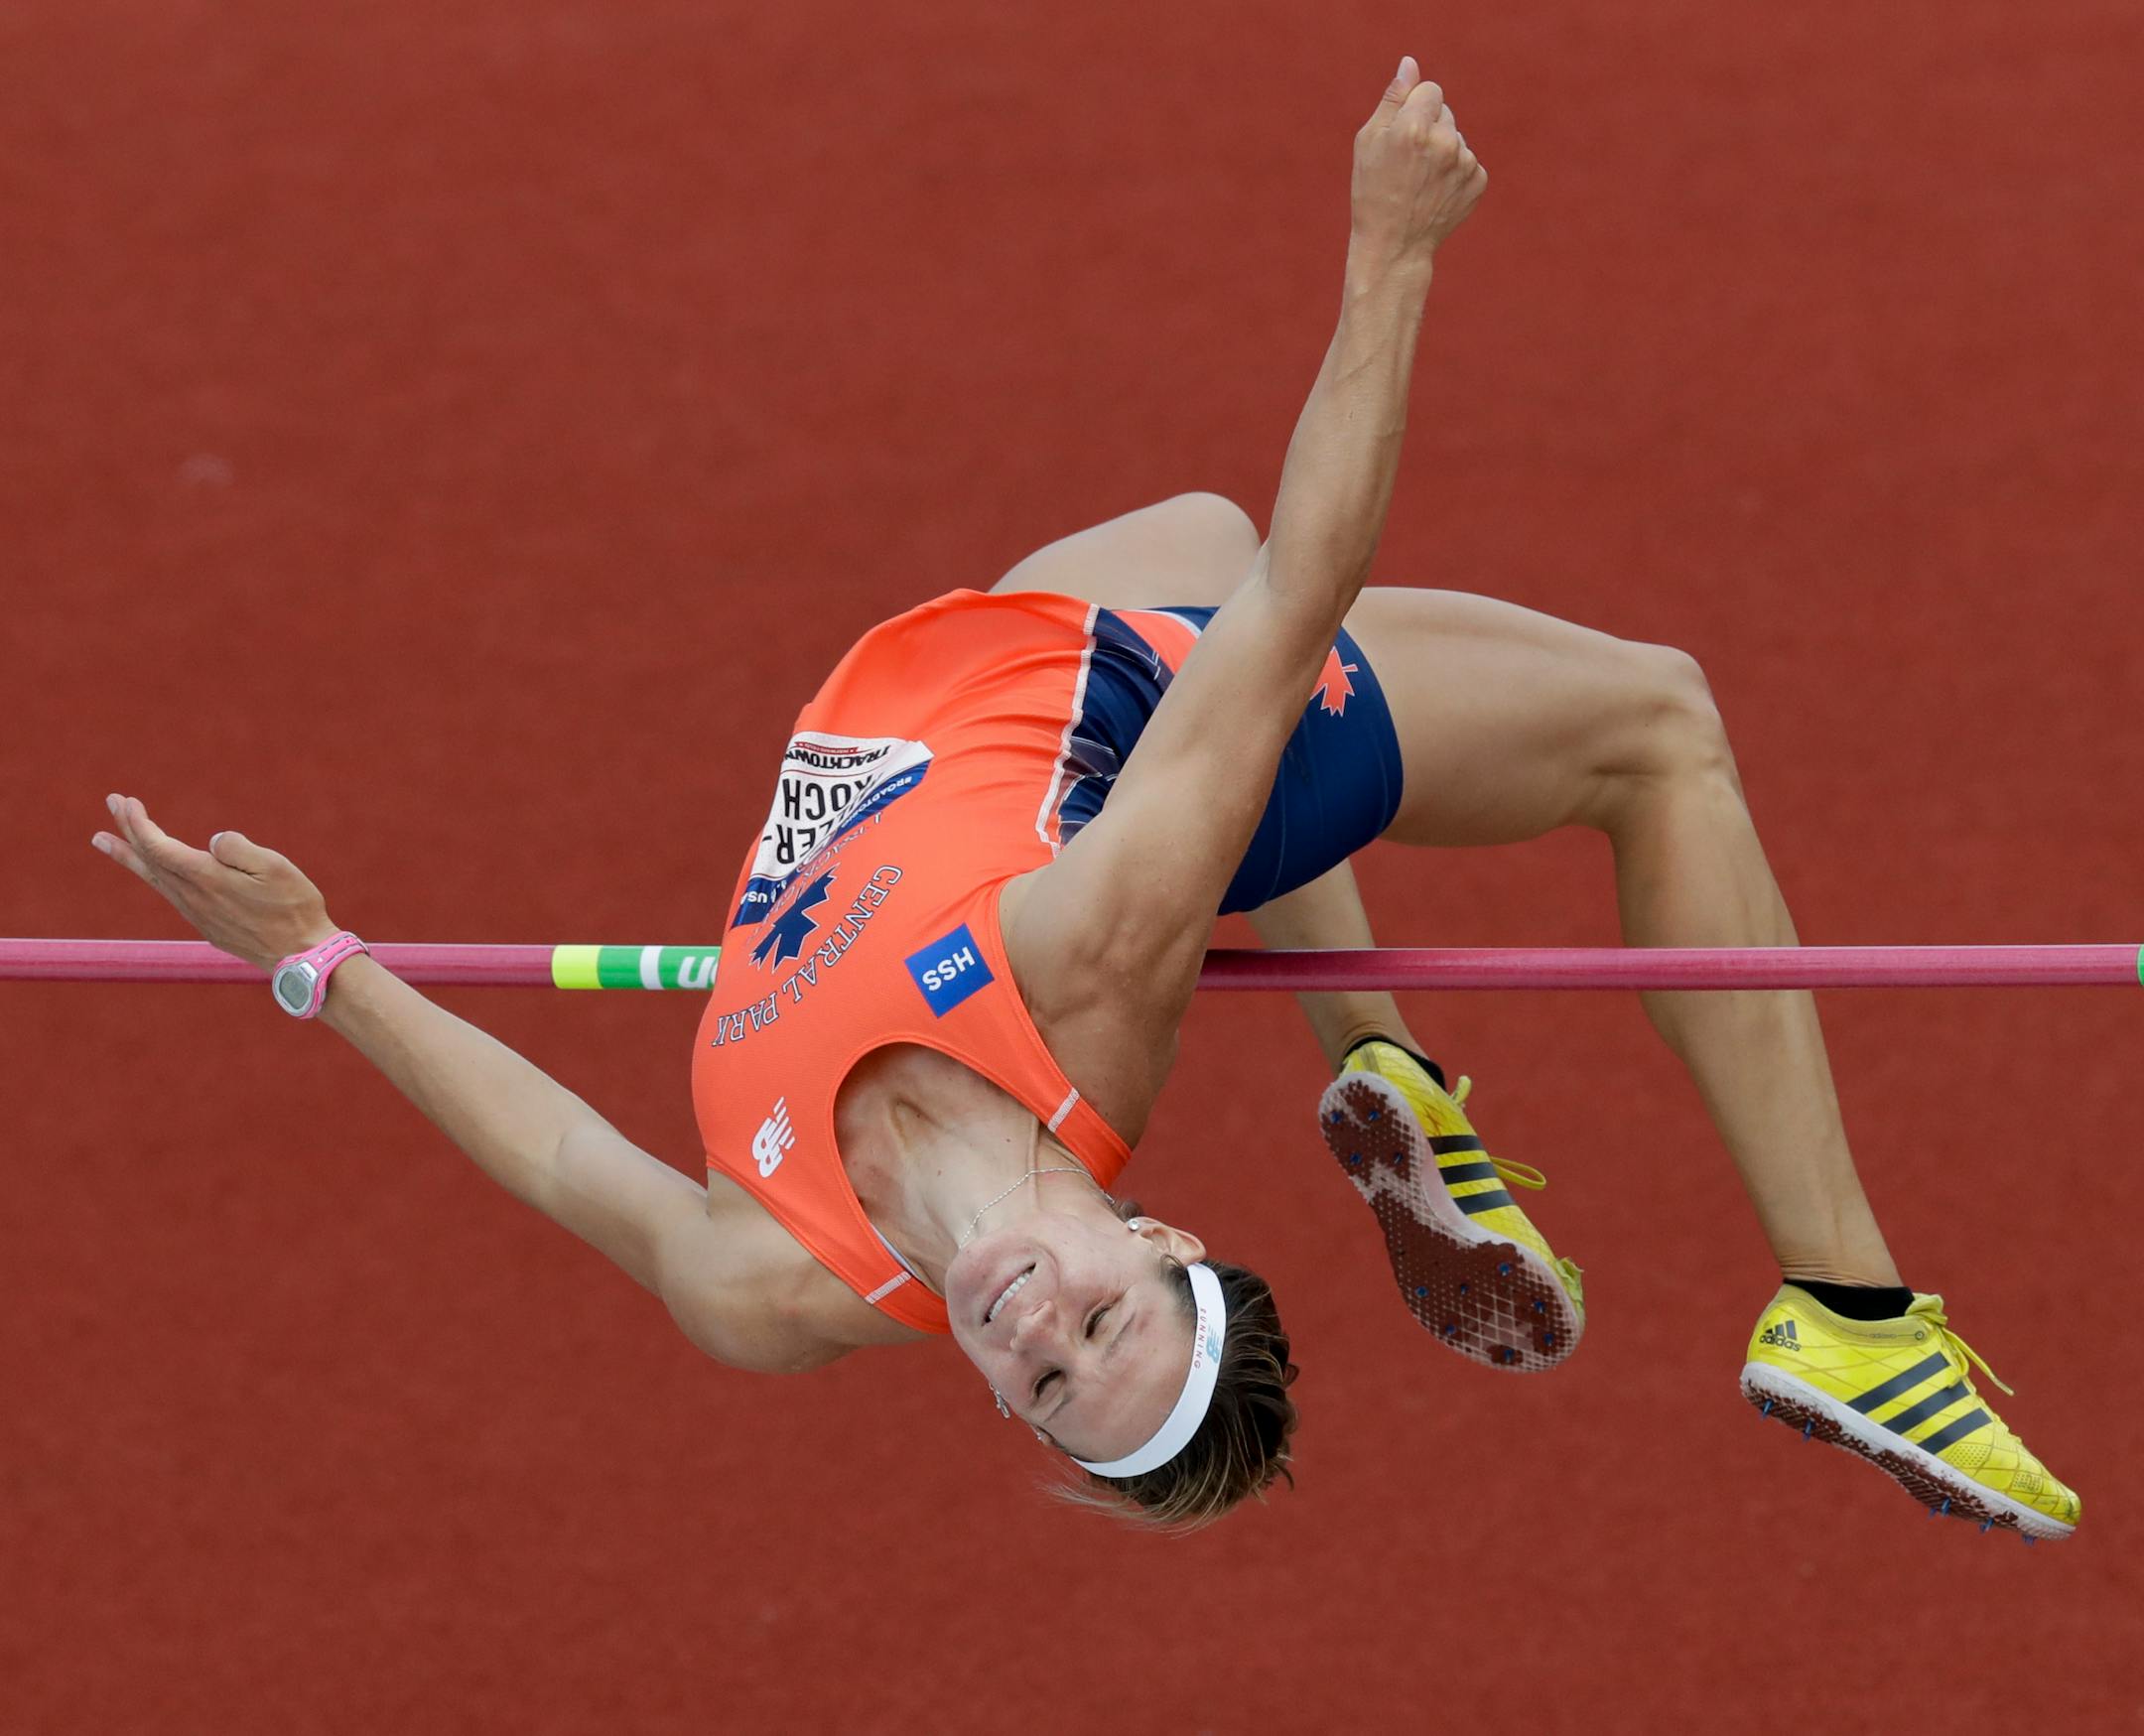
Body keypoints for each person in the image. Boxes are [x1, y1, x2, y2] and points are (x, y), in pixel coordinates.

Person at [91, 58, 2078, 1539]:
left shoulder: (771, 1284)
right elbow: (1294, 602)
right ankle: (1850, 1305)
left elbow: (552, 1154)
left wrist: (320, 962)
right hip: (1094, 720)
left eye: (1041, 1379)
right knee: (1654, 720)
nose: (1035, 1321)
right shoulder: (1084, 964)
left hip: (947, 672)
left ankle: (1399, 1083)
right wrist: (1389, 253)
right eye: (1107, 1319)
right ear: (1158, 1228)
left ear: (1000, 1393)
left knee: (1202, 550)